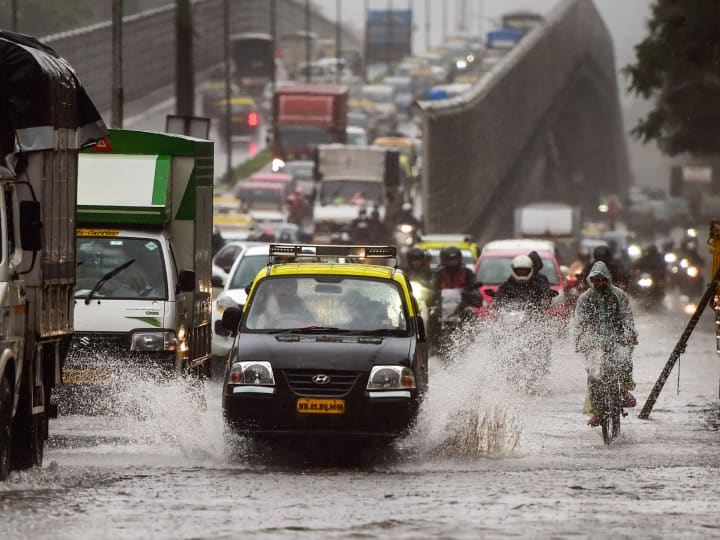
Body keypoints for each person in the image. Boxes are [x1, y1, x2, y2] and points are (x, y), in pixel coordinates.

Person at [573, 261, 638, 427]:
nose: (599, 283)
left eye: (602, 280)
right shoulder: (585, 298)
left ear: (607, 279)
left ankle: (623, 391)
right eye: (596, 280)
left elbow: (627, 318)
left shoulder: (619, 295)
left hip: (617, 340)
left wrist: (630, 334)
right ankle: (597, 411)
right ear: (591, 280)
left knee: (624, 360)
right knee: (594, 374)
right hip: (593, 342)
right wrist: (580, 340)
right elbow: (579, 323)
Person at [430, 245, 483, 309]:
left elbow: (473, 281)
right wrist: (432, 286)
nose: (452, 262)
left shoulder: (466, 271)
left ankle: (472, 318)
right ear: (444, 260)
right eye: (450, 260)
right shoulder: (439, 272)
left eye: (454, 259)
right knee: (432, 312)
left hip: (463, 300)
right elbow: (433, 283)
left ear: (459, 259)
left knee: (470, 310)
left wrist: (473, 284)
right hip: (442, 300)